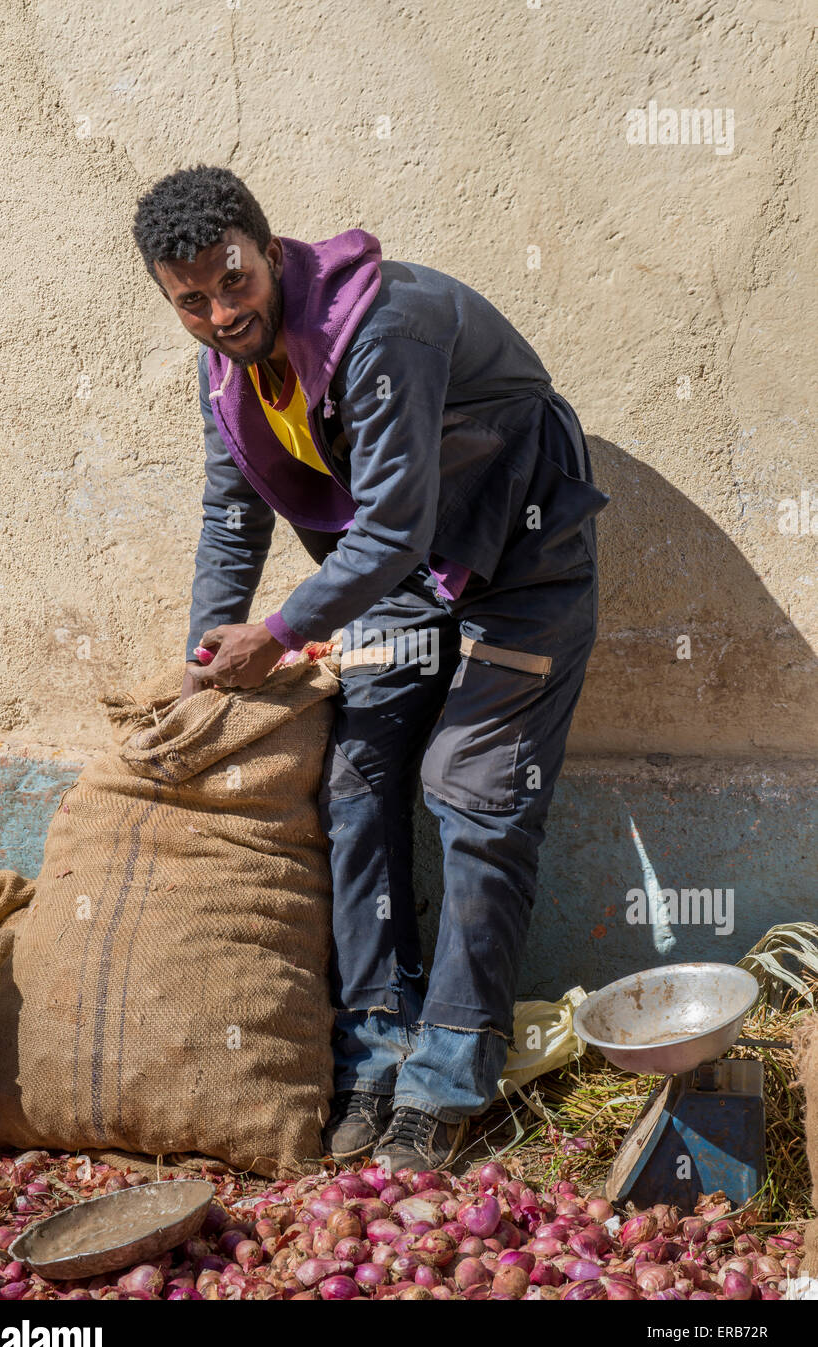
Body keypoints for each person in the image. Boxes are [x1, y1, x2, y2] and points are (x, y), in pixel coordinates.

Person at [132, 165, 609, 1173]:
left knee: (472, 787)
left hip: (520, 552)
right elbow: (233, 518)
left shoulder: (383, 324)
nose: (221, 311)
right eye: (192, 302)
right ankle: (377, 1051)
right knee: (354, 774)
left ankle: (448, 1079)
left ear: (269, 250)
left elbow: (392, 520)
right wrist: (201, 661)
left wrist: (281, 628)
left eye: (235, 281)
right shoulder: (230, 375)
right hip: (400, 580)